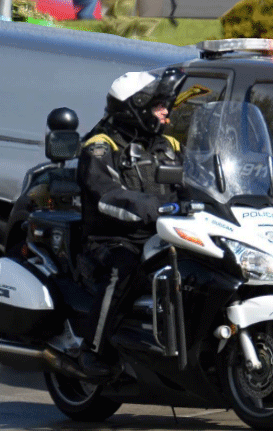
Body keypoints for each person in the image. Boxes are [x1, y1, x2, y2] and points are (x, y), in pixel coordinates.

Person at [75, 67, 186, 377]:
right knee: (120, 268)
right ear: (135, 108)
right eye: (158, 106)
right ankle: (92, 349)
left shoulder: (170, 146)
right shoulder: (100, 146)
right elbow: (106, 194)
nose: (166, 112)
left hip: (165, 234)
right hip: (113, 239)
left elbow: (196, 181)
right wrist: (155, 207)